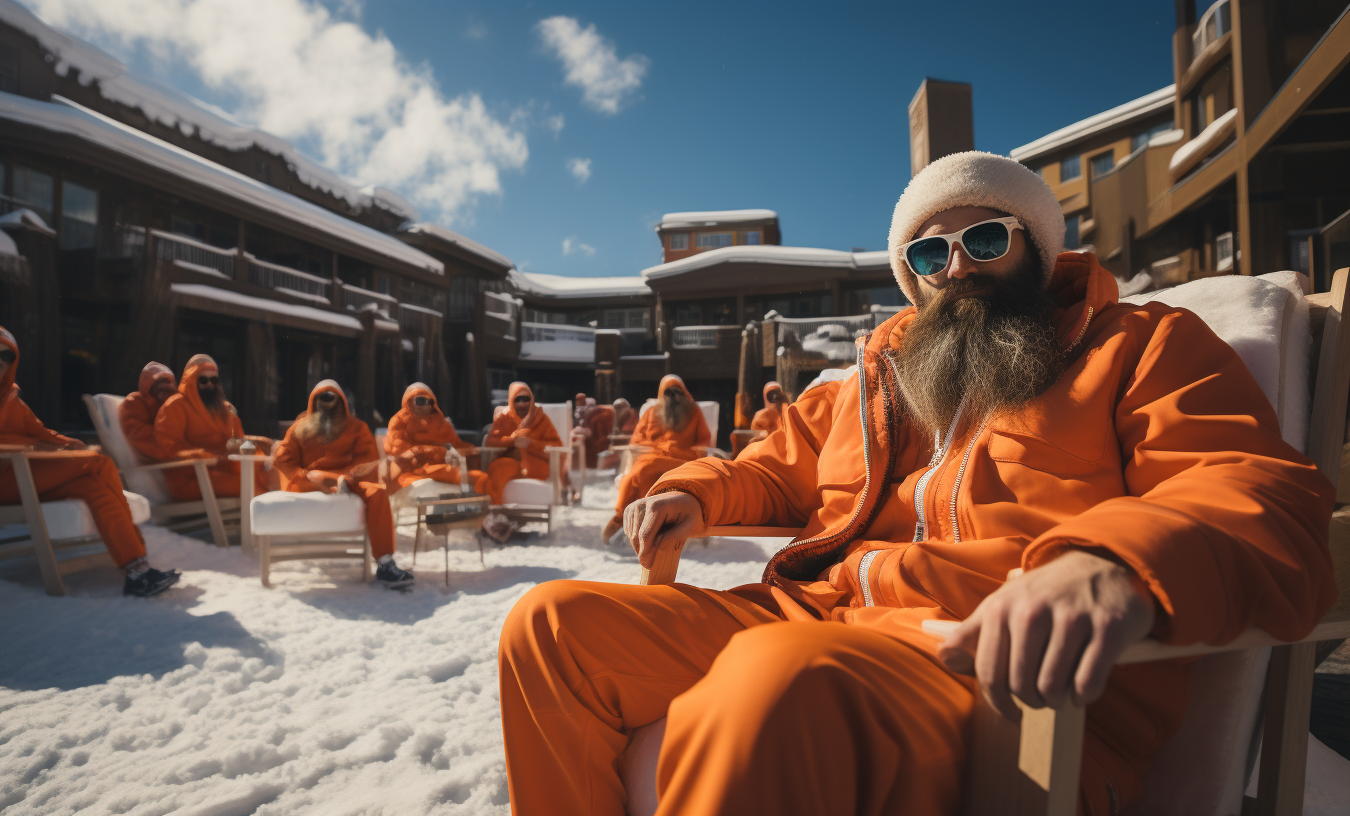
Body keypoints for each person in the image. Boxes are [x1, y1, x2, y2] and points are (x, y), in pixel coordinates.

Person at [497, 152, 1337, 816]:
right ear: (913, 273)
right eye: (931, 251)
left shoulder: (1141, 347)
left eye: (987, 238)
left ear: (1039, 247)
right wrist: (697, 492)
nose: (959, 265)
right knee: (551, 629)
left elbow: (1251, 487)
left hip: (989, 665)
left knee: (776, 677)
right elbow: (772, 461)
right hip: (817, 612)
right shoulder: (884, 376)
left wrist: (1106, 560)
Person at [0, 325, 179, 596]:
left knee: (94, 485)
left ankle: (137, 568)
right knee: (102, 465)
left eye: (7, 356)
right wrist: (39, 447)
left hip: (28, 472)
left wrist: (68, 443)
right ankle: (137, 566)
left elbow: (39, 430)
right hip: (0, 479)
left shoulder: (8, 395)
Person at [272, 380, 411, 587]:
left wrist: (346, 477)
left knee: (378, 492)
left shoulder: (358, 428)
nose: (325, 402)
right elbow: (282, 461)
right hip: (312, 481)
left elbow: (367, 462)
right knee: (315, 477)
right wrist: (305, 476)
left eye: (330, 397)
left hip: (349, 481)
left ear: (341, 401)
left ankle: (385, 562)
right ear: (313, 401)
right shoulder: (299, 428)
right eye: (321, 397)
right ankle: (327, 479)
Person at [599, 375, 712, 544]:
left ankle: (624, 517)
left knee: (643, 470)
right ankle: (643, 520)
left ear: (683, 392)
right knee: (637, 476)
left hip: (682, 459)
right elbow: (637, 439)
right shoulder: (652, 412)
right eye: (669, 393)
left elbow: (704, 439)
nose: (674, 397)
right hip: (654, 456)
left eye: (677, 392)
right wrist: (653, 446)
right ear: (662, 394)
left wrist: (698, 455)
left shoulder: (693, 411)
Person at [154, 355, 270, 501]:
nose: (210, 385)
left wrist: (259, 442)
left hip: (220, 471)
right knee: (253, 486)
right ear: (192, 381)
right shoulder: (175, 406)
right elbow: (168, 450)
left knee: (268, 478)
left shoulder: (220, 409)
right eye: (203, 380)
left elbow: (237, 440)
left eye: (214, 380)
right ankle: (254, 523)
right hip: (188, 478)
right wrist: (211, 458)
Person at [385, 382, 488, 494]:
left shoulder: (440, 422)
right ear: (409, 401)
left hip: (439, 466)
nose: (426, 405)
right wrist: (428, 451)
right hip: (409, 470)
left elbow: (456, 445)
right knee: (452, 473)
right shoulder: (399, 421)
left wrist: (472, 451)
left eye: (430, 402)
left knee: (476, 475)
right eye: (421, 401)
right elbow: (399, 452)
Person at [485, 382, 561, 504]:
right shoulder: (504, 419)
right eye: (518, 399)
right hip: (511, 462)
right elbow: (491, 442)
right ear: (511, 400)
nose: (522, 404)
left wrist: (531, 444)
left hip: (535, 465)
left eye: (525, 399)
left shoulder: (541, 419)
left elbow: (557, 447)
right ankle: (497, 511)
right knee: (498, 470)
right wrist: (512, 440)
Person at [118, 361, 178, 461]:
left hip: (182, 457)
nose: (164, 386)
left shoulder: (174, 404)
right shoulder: (135, 401)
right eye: (159, 382)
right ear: (147, 383)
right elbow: (136, 432)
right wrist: (178, 448)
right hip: (167, 463)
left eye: (168, 382)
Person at [575, 397, 615, 468]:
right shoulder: (590, 416)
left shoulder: (604, 415)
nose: (588, 408)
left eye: (591, 406)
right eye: (587, 406)